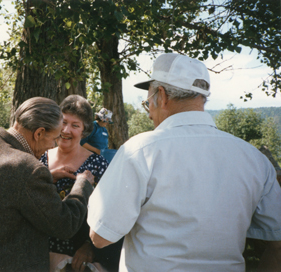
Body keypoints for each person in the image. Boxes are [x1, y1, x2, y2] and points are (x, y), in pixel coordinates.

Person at [87, 53, 281, 271]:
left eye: (147, 102)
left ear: (162, 95)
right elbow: (277, 245)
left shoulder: (140, 151)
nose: (149, 113)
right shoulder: (254, 158)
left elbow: (100, 236)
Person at [0, 97, 95, 272]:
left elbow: (4, 188)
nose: (51, 146)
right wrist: (82, 185)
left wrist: (45, 178)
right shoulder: (28, 169)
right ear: (39, 133)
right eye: (54, 138)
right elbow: (65, 225)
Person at [40, 95, 120, 272]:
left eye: (75, 125)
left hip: (76, 260)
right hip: (39, 253)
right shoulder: (40, 157)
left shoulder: (98, 165)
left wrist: (90, 246)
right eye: (63, 122)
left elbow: (110, 213)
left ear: (85, 131)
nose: (66, 130)